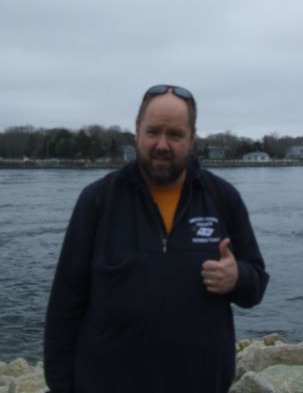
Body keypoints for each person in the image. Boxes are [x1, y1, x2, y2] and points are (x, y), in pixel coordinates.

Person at [44, 84, 269, 393]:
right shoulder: (98, 200)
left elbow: (256, 284)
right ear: (137, 132)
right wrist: (61, 385)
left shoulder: (222, 198)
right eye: (153, 132)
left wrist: (238, 277)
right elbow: (64, 305)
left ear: (192, 138)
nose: (162, 144)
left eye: (175, 134)